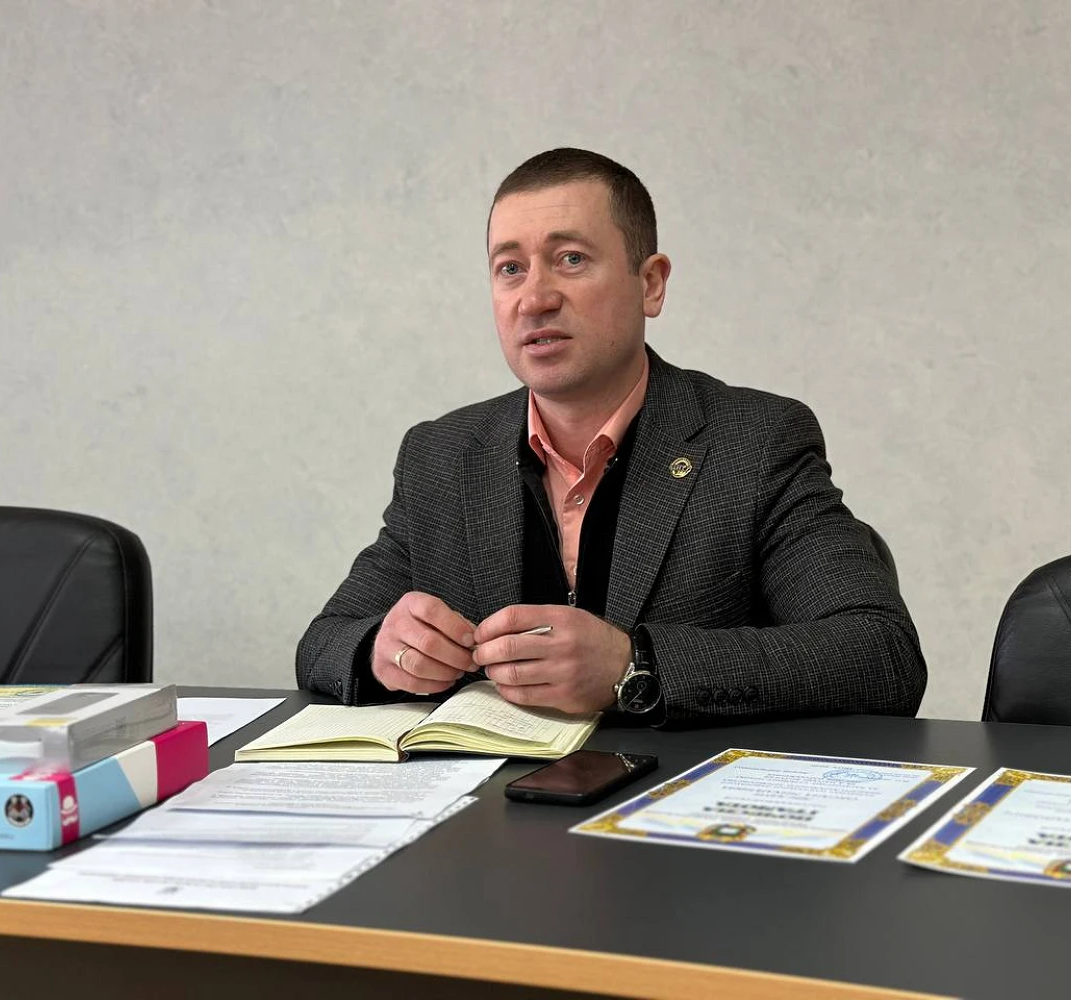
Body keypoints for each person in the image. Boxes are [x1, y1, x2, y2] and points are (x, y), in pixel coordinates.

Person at [297, 148, 925, 725]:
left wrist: (634, 666)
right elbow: (323, 641)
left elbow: (880, 654)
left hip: (673, 800)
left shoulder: (754, 442)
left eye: (571, 259)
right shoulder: (442, 455)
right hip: (490, 802)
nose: (534, 298)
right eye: (510, 268)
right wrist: (379, 650)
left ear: (651, 283)